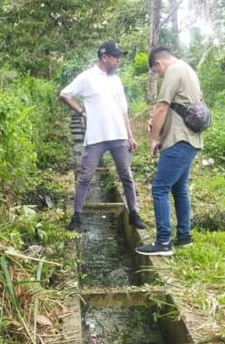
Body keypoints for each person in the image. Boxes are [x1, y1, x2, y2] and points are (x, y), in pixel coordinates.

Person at [59, 41, 145, 231]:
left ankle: (134, 214)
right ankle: (77, 216)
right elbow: (65, 94)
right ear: (104, 57)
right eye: (115, 57)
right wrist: (82, 112)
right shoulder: (87, 77)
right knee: (85, 177)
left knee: (126, 176)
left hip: (119, 136)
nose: (118, 61)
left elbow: (124, 110)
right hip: (95, 137)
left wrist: (130, 136)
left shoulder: (116, 80)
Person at [136, 46, 204, 256]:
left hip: (178, 140)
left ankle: (163, 241)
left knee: (160, 188)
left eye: (157, 72)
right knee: (179, 188)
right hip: (191, 139)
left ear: (159, 64)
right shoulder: (188, 70)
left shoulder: (173, 71)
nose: (159, 75)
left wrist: (154, 138)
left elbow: (161, 107)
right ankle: (184, 236)